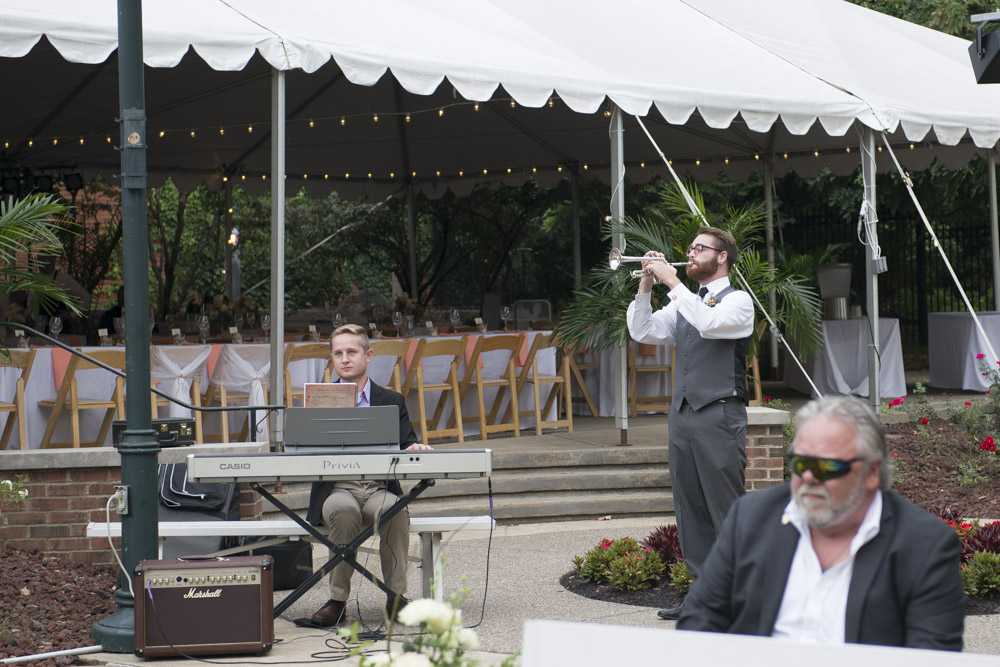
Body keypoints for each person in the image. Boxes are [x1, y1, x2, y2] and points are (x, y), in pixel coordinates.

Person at [677, 395, 965, 650]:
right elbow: (698, 622)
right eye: (801, 464)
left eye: (826, 466)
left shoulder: (924, 545)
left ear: (872, 472)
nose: (809, 477)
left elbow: (932, 654)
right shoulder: (751, 518)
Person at [626, 226, 754, 620]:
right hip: (683, 415)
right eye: (691, 248)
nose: (692, 252)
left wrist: (673, 281)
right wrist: (646, 286)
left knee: (726, 508)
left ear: (722, 257)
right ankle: (701, 597)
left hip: (719, 413)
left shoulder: (740, 302)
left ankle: (743, 599)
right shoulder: (684, 301)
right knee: (690, 509)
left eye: (701, 248)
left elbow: (709, 324)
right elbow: (642, 331)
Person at [305, 323, 431, 627]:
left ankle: (396, 597)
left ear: (368, 355)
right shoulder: (321, 399)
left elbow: (405, 442)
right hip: (337, 488)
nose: (345, 359)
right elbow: (305, 448)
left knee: (394, 509)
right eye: (338, 353)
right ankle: (337, 600)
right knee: (344, 511)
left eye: (352, 351)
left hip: (378, 487)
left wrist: (412, 446)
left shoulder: (391, 399)